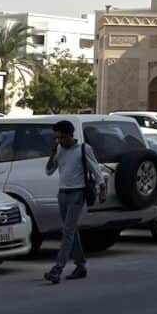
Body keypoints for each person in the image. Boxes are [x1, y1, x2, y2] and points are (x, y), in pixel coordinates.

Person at [44, 120, 106, 284]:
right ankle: (81, 266)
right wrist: (51, 154)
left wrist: (102, 189)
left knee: (67, 232)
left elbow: (96, 170)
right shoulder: (59, 149)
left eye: (62, 138)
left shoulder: (83, 149)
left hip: (77, 194)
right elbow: (49, 171)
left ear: (71, 135)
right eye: (57, 138)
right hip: (62, 194)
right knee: (71, 232)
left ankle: (57, 268)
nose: (60, 141)